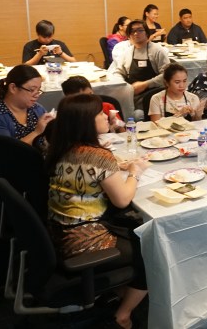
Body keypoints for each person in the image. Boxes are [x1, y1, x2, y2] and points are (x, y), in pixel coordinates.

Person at [46, 94, 148, 328]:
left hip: (58, 230)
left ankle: (120, 290)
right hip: (85, 240)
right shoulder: (98, 156)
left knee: (137, 227)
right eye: (100, 113)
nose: (105, 116)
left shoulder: (63, 147)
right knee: (154, 249)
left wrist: (116, 166)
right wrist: (134, 172)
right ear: (85, 121)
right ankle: (123, 314)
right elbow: (122, 200)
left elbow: (88, 172)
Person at [0, 65, 54, 304]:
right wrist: (38, 131)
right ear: (12, 88)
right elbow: (7, 154)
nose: (36, 95)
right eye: (31, 90)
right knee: (6, 219)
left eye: (39, 90)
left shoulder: (36, 110)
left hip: (34, 179)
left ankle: (46, 265)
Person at [108, 20, 171, 114]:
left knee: (138, 115)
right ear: (129, 35)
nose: (136, 33)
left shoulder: (157, 51)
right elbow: (118, 72)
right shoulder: (127, 52)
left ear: (147, 33)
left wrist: (145, 84)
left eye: (140, 30)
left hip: (154, 95)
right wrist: (124, 86)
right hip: (132, 94)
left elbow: (168, 75)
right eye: (132, 31)